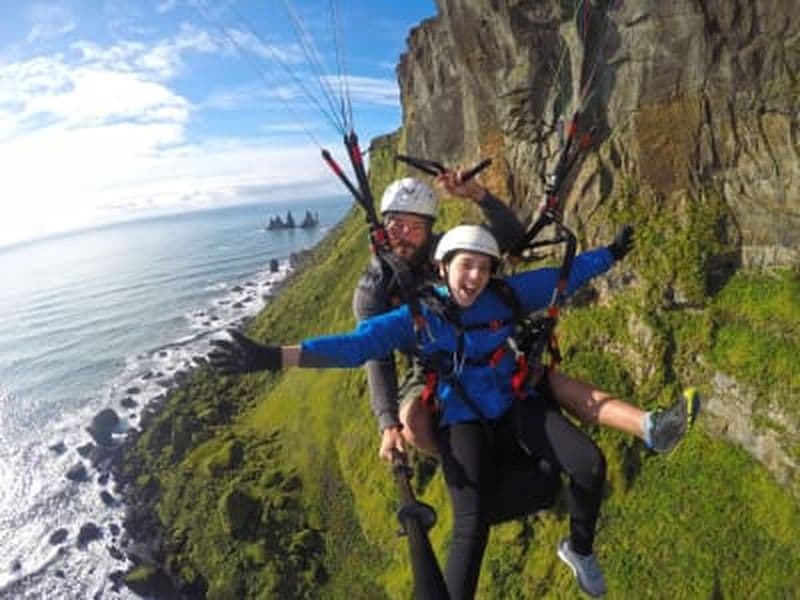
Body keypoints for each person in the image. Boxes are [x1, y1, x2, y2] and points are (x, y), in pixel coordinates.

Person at [208, 225, 694, 597]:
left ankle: (579, 550)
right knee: (472, 521)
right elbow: (357, 347)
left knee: (589, 465)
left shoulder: (505, 296)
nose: (476, 277)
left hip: (514, 400)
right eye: (467, 266)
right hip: (460, 412)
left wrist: (610, 254)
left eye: (484, 268)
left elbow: (561, 279)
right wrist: (273, 357)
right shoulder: (418, 317)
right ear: (443, 268)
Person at [357, 173, 692, 462]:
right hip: (432, 364)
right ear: (382, 228)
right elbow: (377, 357)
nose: (404, 234)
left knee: (550, 382)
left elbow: (511, 237)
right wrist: (388, 424)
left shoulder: (448, 248)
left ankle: (651, 427)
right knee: (412, 424)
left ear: (429, 231)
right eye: (396, 224)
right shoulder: (375, 288)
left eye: (416, 227)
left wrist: (477, 194)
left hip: (486, 344)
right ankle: (469, 467)